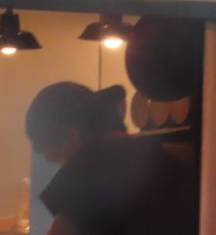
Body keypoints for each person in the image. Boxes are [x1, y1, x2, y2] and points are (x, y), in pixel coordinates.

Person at [25, 82, 198, 235]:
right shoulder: (167, 160)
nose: (64, 166)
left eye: (60, 159)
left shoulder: (88, 169)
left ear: (69, 135)